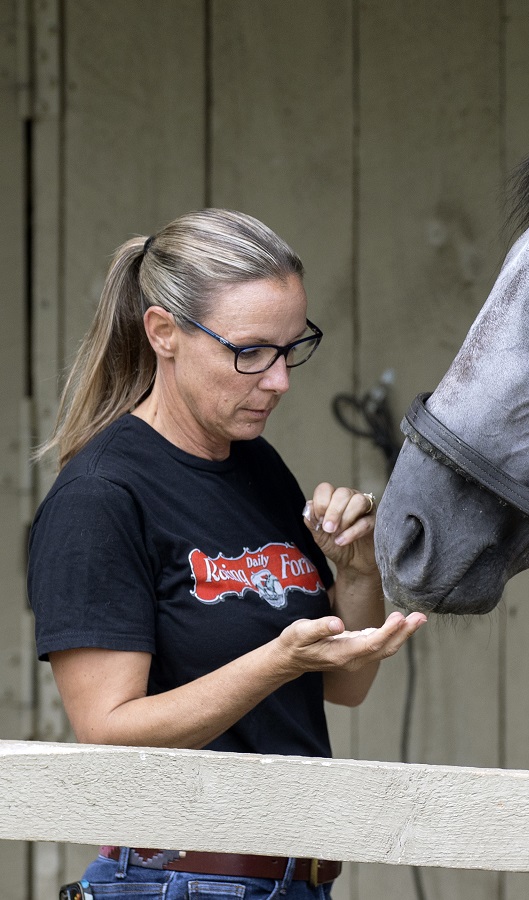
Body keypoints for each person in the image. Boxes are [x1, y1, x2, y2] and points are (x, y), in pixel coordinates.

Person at [28, 208, 426, 899]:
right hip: (178, 882)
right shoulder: (101, 494)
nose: (279, 381)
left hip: (295, 880)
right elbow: (108, 732)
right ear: (164, 334)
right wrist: (278, 660)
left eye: (290, 347)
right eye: (249, 352)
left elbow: (346, 685)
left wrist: (354, 568)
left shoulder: (258, 466)